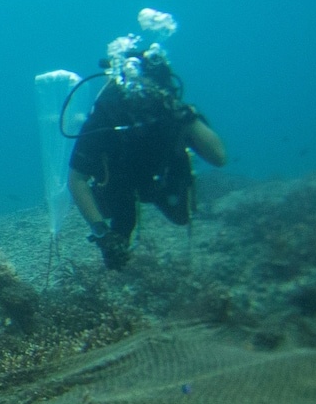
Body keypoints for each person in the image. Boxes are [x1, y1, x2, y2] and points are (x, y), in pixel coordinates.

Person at [67, 23, 227, 270]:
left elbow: (218, 157)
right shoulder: (107, 114)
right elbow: (77, 179)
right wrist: (101, 232)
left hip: (162, 176)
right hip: (120, 183)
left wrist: (184, 115)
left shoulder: (170, 109)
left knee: (181, 216)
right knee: (120, 236)